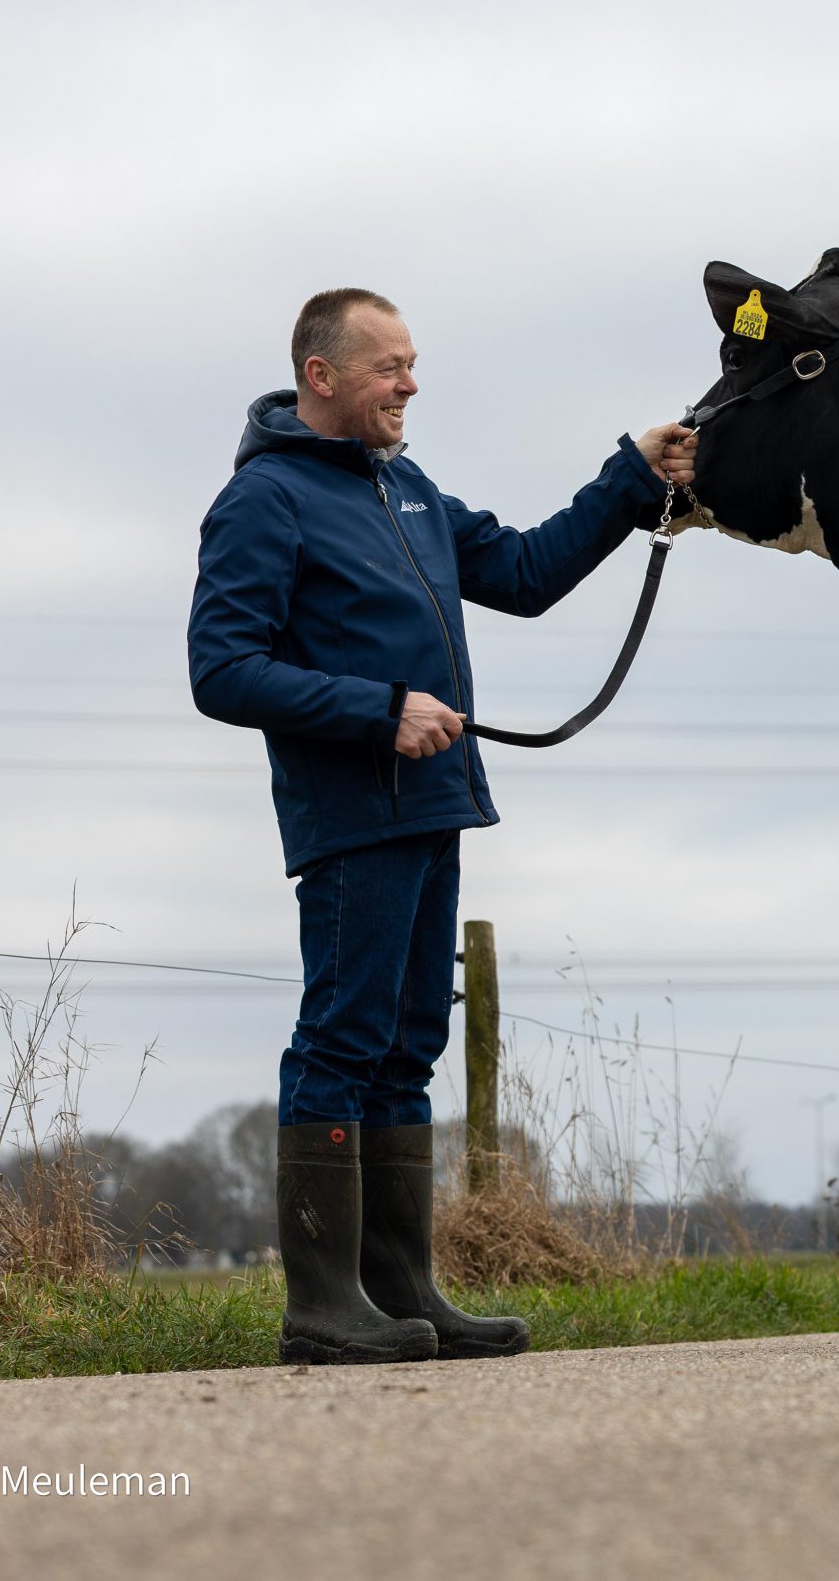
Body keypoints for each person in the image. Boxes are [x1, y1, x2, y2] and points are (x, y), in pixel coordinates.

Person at [188, 288, 695, 1364]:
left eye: (411, 364)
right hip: (350, 819)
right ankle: (321, 1307)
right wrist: (381, 710)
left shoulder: (407, 488)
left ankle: (401, 1291)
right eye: (389, 367)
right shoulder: (263, 500)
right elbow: (221, 669)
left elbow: (525, 573)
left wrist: (631, 476)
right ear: (322, 375)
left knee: (408, 1047)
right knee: (341, 1041)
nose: (410, 385)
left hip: (435, 804)